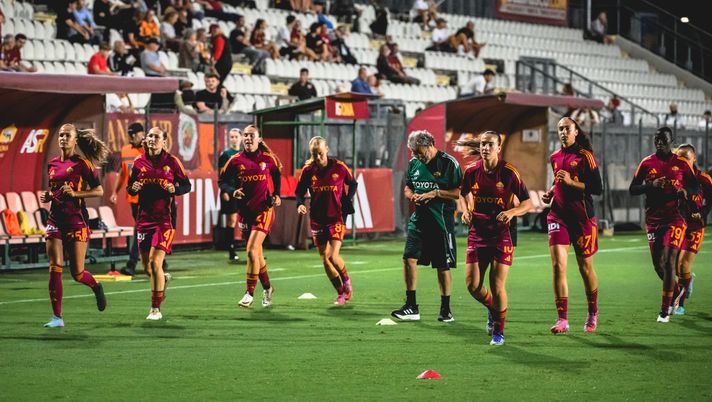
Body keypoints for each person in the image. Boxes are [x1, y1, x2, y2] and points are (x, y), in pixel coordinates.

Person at [460, 131, 532, 345]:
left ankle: (498, 332)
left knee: (496, 284)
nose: (485, 148)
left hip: (501, 234)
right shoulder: (471, 171)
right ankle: (493, 308)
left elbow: (527, 203)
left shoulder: (509, 173)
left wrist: (511, 212)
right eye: (483, 144)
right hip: (478, 233)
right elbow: (463, 194)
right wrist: (466, 211)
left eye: (490, 144)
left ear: (499, 148)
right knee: (472, 285)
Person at [41, 124, 110, 328]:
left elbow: (99, 191)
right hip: (55, 220)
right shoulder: (52, 164)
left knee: (77, 273)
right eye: (61, 135)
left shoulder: (83, 165)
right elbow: (54, 191)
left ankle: (96, 287)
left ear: (75, 140)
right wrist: (48, 196)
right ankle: (57, 317)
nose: (63, 138)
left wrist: (77, 194)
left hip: (76, 220)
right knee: (55, 267)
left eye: (67, 135)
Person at [391, 130, 462, 322]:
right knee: (408, 258)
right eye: (413, 152)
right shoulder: (414, 164)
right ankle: (411, 306)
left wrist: (435, 193)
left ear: (429, 144)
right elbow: (408, 187)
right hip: (418, 221)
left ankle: (446, 309)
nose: (415, 156)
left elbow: (457, 192)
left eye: (418, 151)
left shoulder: (448, 163)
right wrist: (411, 196)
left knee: (442, 266)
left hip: (440, 222)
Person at [541, 118, 603, 333]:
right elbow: (558, 180)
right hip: (558, 216)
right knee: (558, 266)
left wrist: (570, 183)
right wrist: (551, 191)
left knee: (585, 268)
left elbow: (597, 188)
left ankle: (593, 312)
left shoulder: (585, 156)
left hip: (582, 219)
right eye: (560, 129)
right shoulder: (554, 157)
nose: (563, 132)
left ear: (576, 131)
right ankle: (562, 319)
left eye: (567, 128)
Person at [629, 127, 697, 322]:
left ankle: (664, 311)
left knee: (669, 261)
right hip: (653, 219)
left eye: (663, 140)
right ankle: (677, 291)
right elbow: (633, 189)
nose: (659, 142)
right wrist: (651, 185)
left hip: (675, 217)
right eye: (657, 139)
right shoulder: (647, 163)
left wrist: (685, 191)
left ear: (671, 141)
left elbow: (693, 185)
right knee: (658, 265)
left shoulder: (682, 164)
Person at [127, 127, 191, 320]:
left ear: (164, 141)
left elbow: (187, 185)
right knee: (148, 268)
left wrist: (174, 188)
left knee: (156, 263)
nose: (152, 139)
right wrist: (133, 188)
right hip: (144, 219)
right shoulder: (138, 163)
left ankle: (155, 309)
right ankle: (163, 279)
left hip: (165, 219)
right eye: (150, 136)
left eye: (156, 137)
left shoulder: (172, 162)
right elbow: (130, 187)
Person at [219, 125, 281, 309]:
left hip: (264, 210)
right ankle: (268, 288)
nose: (247, 138)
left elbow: (277, 174)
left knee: (251, 251)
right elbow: (222, 181)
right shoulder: (235, 160)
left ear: (259, 139)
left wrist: (276, 194)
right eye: (245, 135)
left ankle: (249, 293)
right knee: (257, 255)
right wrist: (232, 190)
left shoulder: (268, 159)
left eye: (251, 135)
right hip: (245, 212)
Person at [296, 136, 358, 305]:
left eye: (321, 153)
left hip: (336, 217)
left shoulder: (339, 167)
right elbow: (299, 191)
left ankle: (347, 282)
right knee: (325, 258)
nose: (318, 157)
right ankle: (340, 293)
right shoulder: (308, 170)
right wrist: (300, 204)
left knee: (332, 255)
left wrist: (347, 200)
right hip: (317, 219)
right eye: (314, 154)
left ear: (327, 149)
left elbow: (353, 184)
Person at [674, 144, 712, 315]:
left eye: (686, 158)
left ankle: (680, 305)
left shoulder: (704, 179)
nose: (683, 162)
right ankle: (689, 280)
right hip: (677, 226)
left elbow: (710, 202)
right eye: (679, 159)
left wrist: (702, 213)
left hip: (695, 228)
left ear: (694, 158)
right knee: (675, 268)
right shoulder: (675, 178)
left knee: (683, 264)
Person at [111, 122, 145, 276]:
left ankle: (131, 264)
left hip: (147, 197)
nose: (142, 136)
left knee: (140, 229)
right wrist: (114, 192)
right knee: (144, 230)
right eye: (139, 134)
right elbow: (122, 174)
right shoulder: (125, 150)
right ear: (133, 135)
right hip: (133, 198)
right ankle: (160, 260)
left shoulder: (148, 150)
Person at [218, 128, 243, 263]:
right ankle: (231, 250)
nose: (234, 139)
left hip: (243, 190)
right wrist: (224, 191)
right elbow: (221, 175)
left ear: (241, 138)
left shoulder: (244, 153)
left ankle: (253, 248)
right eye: (231, 137)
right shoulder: (226, 154)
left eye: (236, 137)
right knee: (232, 220)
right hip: (231, 190)